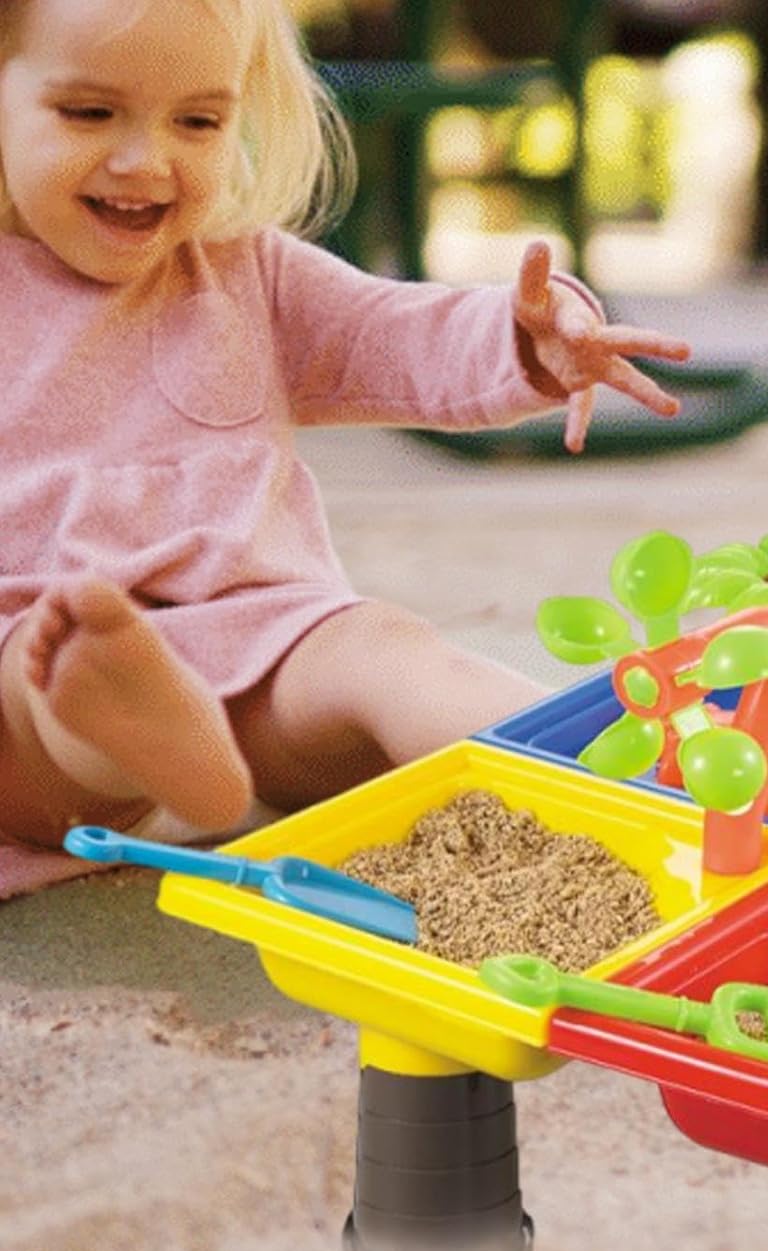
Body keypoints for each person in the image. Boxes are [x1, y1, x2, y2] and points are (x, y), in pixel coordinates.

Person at [0, 0, 691, 897]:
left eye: (198, 122)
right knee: (38, 682)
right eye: (90, 112)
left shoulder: (245, 272)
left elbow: (393, 333)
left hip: (262, 651)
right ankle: (131, 730)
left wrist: (527, 339)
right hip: (41, 645)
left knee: (384, 648)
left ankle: (631, 782)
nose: (147, 160)